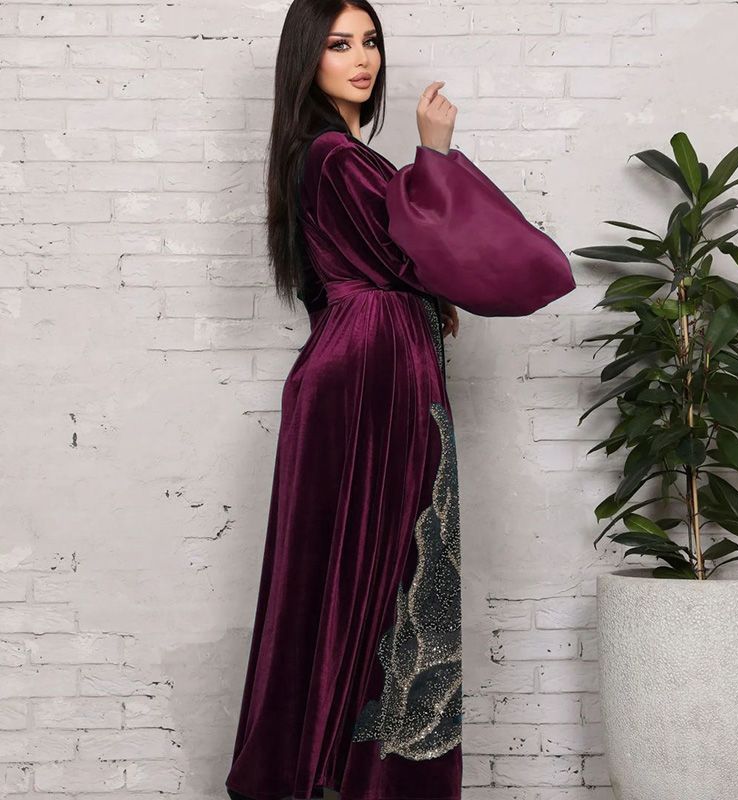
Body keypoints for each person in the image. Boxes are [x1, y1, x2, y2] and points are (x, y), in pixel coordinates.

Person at [224, 0, 576, 798]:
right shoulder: (336, 158)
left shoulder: (326, 155)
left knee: (362, 567)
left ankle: (323, 768)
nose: (362, 59)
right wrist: (436, 159)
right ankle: (362, 780)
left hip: (359, 365)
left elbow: (391, 268)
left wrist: (417, 286)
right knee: (393, 564)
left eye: (371, 41)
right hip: (372, 376)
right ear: (307, 58)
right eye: (339, 44)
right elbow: (425, 254)